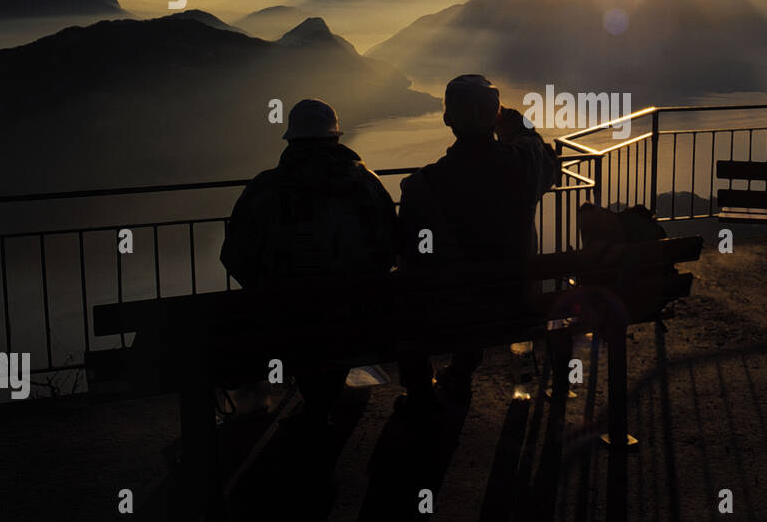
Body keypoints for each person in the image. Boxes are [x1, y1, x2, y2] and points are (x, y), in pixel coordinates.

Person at [220, 98, 397, 427]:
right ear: (336, 139)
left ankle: (316, 405)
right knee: (332, 327)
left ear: (291, 140)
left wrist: (269, 290)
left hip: (284, 324)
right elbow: (391, 249)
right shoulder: (367, 185)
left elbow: (233, 255)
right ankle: (321, 403)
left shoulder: (264, 189)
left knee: (298, 328)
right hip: (358, 323)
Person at [396, 74, 559, 416]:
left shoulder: (422, 186)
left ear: (447, 120)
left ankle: (423, 391)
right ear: (496, 116)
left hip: (451, 310)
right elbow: (544, 155)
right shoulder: (525, 167)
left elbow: (411, 254)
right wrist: (517, 124)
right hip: (516, 302)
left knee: (409, 295)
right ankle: (459, 373)